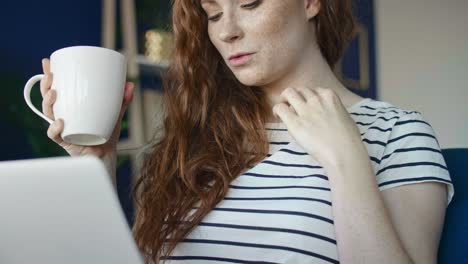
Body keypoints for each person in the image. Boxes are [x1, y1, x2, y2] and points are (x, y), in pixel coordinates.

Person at [40, 0, 454, 263]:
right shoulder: (200, 140)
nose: (226, 31)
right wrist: (97, 164)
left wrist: (345, 161)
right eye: (214, 13)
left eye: (250, 4)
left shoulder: (396, 131)